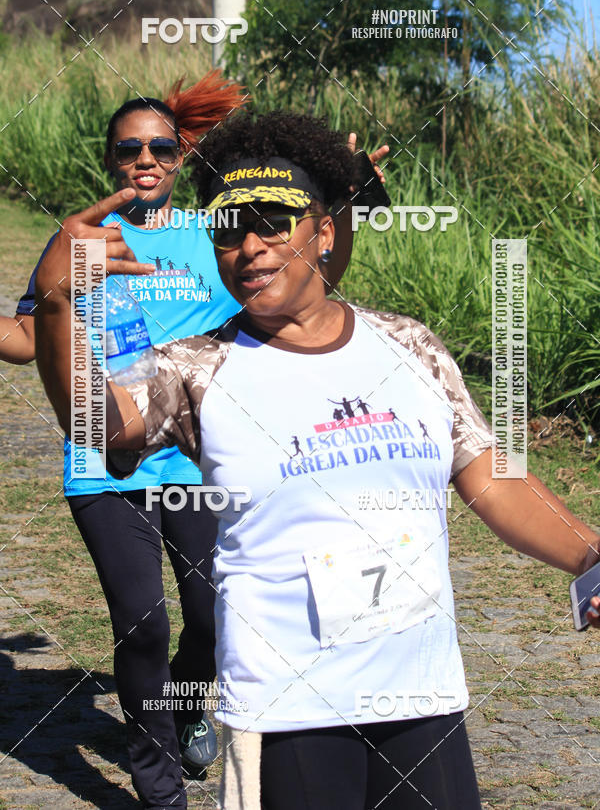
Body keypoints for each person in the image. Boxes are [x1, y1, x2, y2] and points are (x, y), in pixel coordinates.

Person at [35, 110, 599, 810]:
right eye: (228, 229)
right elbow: (101, 427)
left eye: (273, 222)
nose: (248, 246)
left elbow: (491, 477)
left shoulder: (410, 347)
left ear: (324, 232)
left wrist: (590, 556)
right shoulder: (198, 369)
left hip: (421, 699)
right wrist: (58, 308)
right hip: (284, 716)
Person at [0, 71, 247, 810]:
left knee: (208, 616)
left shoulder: (211, 238)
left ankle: (188, 703)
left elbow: (277, 306)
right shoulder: (78, 240)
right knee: (142, 625)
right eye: (128, 148)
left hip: (195, 453)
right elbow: (25, 333)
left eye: (160, 147)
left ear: (180, 156)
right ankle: (158, 786)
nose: (144, 158)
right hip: (102, 456)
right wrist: (53, 295)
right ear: (112, 160)